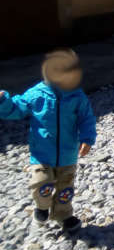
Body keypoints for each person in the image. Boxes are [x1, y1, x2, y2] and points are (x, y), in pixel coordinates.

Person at [0, 49, 96, 232]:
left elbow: (87, 118)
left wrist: (87, 138)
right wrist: (3, 101)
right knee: (40, 183)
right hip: (42, 154)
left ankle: (64, 215)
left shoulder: (77, 96)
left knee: (65, 189)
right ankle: (42, 206)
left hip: (68, 154)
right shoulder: (37, 94)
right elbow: (17, 108)